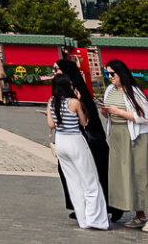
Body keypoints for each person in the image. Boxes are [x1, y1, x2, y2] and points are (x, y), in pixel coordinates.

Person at [101, 59, 148, 233]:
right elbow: (110, 114)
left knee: (145, 175)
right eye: (107, 74)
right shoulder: (109, 90)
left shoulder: (135, 91)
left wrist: (119, 112)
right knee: (128, 175)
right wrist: (106, 112)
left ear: (121, 73)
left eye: (112, 74)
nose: (110, 77)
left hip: (137, 138)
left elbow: (145, 116)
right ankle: (140, 214)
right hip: (118, 137)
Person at [59, 54, 120, 224]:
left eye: (57, 69)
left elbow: (87, 120)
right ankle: (81, 206)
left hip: (90, 143)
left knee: (95, 176)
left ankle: (112, 207)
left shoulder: (80, 92)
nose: (54, 73)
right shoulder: (65, 92)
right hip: (73, 139)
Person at [49, 75, 110, 230]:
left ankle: (82, 219)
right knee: (90, 181)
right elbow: (84, 123)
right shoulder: (74, 102)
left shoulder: (51, 102)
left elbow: (51, 124)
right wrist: (79, 100)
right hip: (74, 140)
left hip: (61, 141)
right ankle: (95, 219)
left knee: (73, 182)